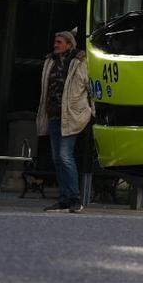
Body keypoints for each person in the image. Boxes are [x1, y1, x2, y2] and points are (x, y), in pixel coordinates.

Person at [36, 31, 93, 213]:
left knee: (65, 155)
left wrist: (91, 110)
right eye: (55, 41)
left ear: (69, 44)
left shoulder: (80, 62)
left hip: (72, 116)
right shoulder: (50, 61)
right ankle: (64, 198)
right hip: (54, 115)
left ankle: (75, 198)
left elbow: (90, 87)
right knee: (57, 158)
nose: (56, 44)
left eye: (59, 42)